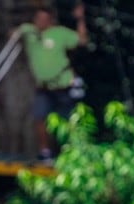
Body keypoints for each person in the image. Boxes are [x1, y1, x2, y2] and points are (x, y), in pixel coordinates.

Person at [17, 3, 88, 162]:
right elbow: (12, 35)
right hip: (43, 88)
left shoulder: (59, 33)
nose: (41, 22)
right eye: (38, 19)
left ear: (50, 20)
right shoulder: (29, 33)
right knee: (39, 117)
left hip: (63, 86)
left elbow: (82, 40)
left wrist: (80, 19)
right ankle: (45, 152)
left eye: (44, 19)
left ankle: (73, 152)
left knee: (68, 120)